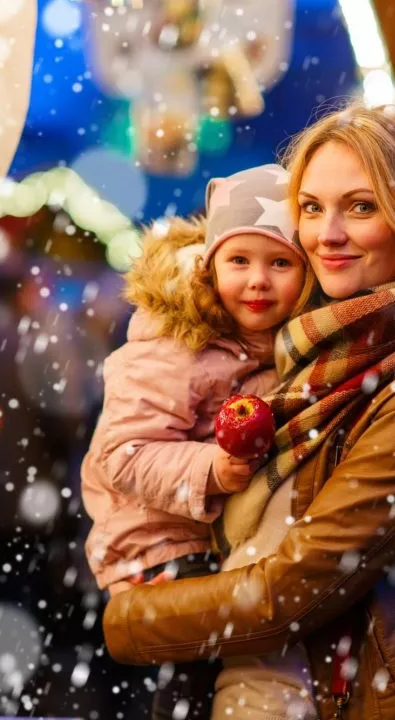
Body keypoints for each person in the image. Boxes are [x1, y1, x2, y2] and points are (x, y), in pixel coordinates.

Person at [101, 102, 395, 720]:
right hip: (274, 684)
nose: (326, 233)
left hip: (338, 694)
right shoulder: (317, 349)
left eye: (360, 207)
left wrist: (125, 619)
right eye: (310, 207)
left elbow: (291, 590)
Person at [81, 164, 312, 719]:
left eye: (279, 263)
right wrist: (213, 468)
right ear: (209, 267)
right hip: (158, 547)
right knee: (182, 691)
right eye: (239, 261)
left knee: (213, 683)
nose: (258, 280)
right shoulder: (178, 342)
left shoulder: (261, 343)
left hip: (200, 540)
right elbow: (123, 453)